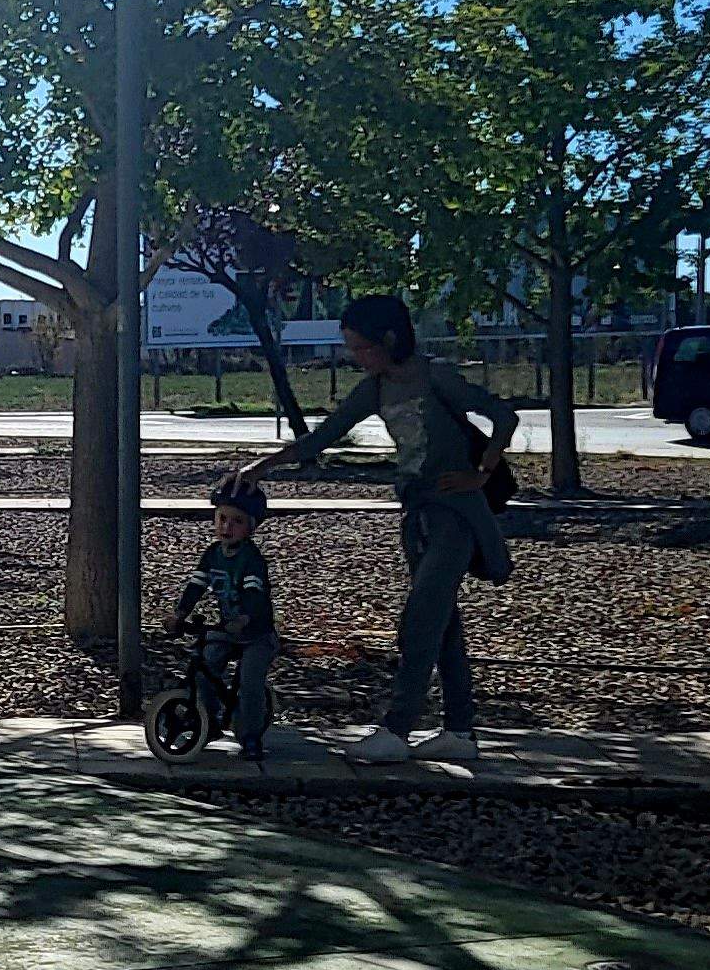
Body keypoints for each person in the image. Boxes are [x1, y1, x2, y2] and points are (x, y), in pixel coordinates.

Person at [236, 293, 516, 763]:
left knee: (422, 619)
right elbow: (321, 438)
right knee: (443, 624)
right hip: (418, 516)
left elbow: (504, 417)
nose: (356, 357)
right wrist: (259, 468)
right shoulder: (375, 388)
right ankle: (460, 733)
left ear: (389, 338)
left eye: (361, 347)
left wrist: (481, 473)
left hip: (456, 513)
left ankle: (397, 729)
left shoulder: (435, 376)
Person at [173, 480, 280, 761]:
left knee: (250, 682)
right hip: (228, 630)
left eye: (237, 521)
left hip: (256, 633)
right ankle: (207, 722)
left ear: (251, 527)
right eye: (222, 518)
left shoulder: (251, 558)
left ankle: (251, 735)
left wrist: (245, 617)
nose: (227, 527)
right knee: (204, 667)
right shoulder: (212, 555)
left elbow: (255, 595)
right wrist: (179, 614)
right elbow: (196, 585)